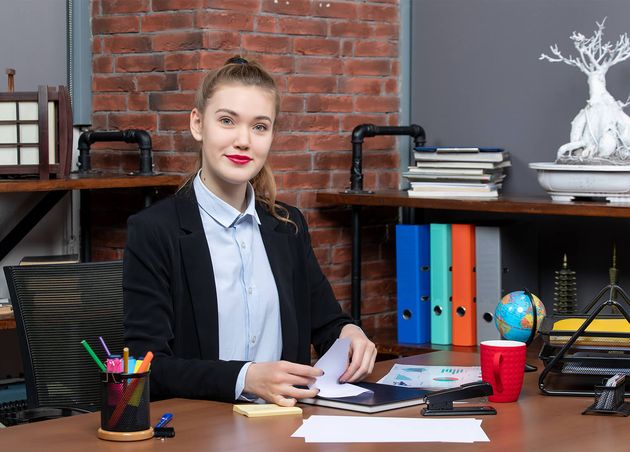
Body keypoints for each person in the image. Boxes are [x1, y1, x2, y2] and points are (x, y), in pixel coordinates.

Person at [123, 56, 377, 406]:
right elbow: (146, 366)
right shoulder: (154, 231)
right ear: (198, 124)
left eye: (259, 127)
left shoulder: (287, 226)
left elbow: (328, 322)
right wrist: (245, 377)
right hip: (199, 431)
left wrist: (351, 334)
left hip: (286, 429)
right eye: (227, 121)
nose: (244, 141)